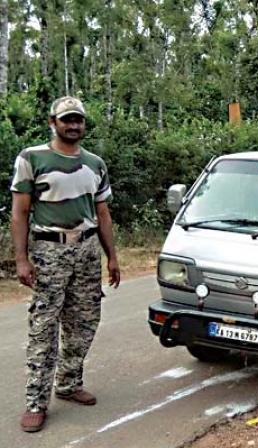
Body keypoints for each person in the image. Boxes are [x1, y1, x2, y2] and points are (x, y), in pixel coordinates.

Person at [11, 96, 121, 433]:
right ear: (53, 122)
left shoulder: (95, 164)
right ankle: (35, 401)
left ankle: (68, 382)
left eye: (78, 120)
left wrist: (112, 256)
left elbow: (102, 212)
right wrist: (21, 258)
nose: (73, 125)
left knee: (85, 320)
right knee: (44, 327)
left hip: (87, 250)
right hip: (50, 252)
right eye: (66, 120)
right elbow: (20, 212)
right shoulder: (32, 158)